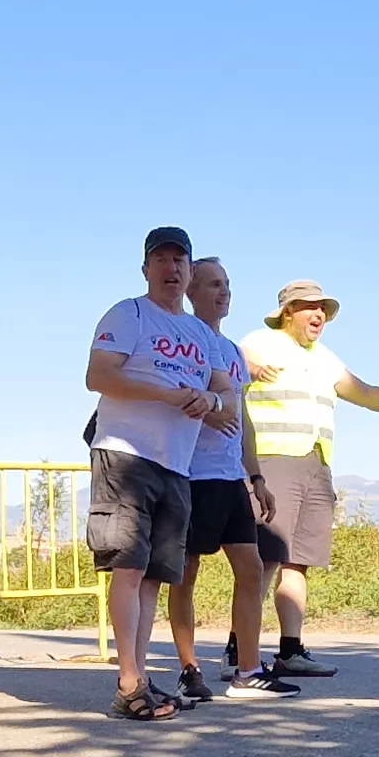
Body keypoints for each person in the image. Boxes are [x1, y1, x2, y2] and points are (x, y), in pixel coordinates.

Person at [240, 280, 379, 678]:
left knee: (298, 562)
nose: (319, 314)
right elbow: (229, 371)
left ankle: (290, 651)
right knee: (265, 560)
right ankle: (239, 651)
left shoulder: (324, 359)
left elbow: (365, 393)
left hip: (316, 464)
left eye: (324, 309)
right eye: (311, 307)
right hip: (272, 461)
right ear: (288, 311)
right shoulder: (259, 342)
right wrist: (248, 368)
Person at [85, 226, 224, 722]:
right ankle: (128, 682)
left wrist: (210, 400)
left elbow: (229, 399)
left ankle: (139, 678)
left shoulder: (201, 335)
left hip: (176, 466)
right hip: (126, 456)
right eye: (161, 259)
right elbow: (98, 375)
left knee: (152, 580)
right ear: (146, 269)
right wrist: (166, 394)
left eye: (179, 260)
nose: (171, 268)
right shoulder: (129, 314)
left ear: (189, 271)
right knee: (128, 568)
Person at [163, 257, 298, 700]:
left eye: (227, 285)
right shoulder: (183, 339)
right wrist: (210, 410)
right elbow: (175, 398)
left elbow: (242, 418)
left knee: (252, 567)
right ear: (191, 291)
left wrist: (256, 476)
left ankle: (247, 671)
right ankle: (189, 670)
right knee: (185, 574)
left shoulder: (234, 352)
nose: (223, 293)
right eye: (213, 285)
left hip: (230, 477)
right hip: (192, 475)